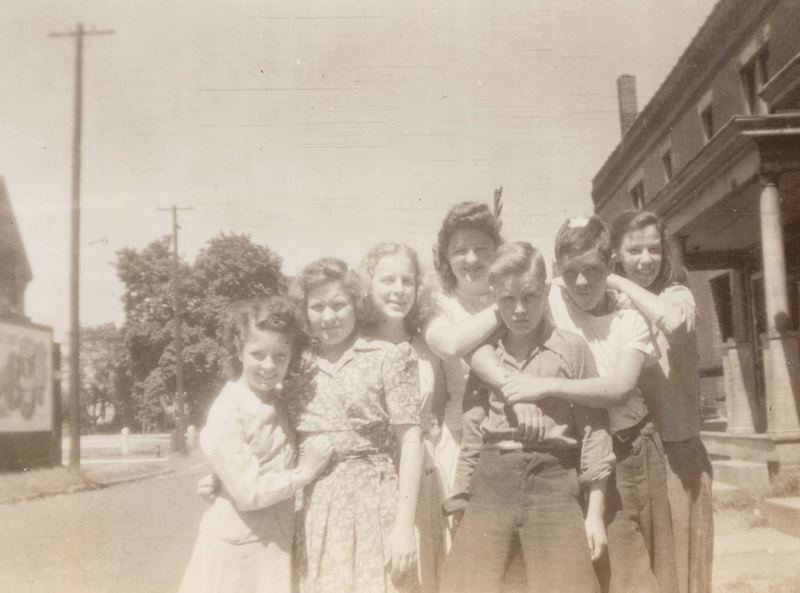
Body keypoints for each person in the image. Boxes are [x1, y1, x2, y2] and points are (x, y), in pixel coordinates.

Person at [471, 216, 677, 593]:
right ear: (556, 273)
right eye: (571, 272)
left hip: (629, 451)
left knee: (637, 574)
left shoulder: (630, 319)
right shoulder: (543, 300)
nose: (581, 282)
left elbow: (619, 389)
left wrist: (541, 386)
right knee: (583, 571)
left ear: (610, 267)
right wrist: (510, 388)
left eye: (593, 271)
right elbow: (472, 345)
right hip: (572, 459)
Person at [439, 242, 614, 593]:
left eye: (530, 297)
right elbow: (474, 427)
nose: (519, 310)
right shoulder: (485, 352)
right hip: (491, 481)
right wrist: (462, 496)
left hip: (553, 481)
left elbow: (595, 432)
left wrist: (594, 514)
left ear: (546, 291)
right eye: (507, 300)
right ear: (494, 298)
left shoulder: (571, 348)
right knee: (464, 584)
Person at [179, 297, 333, 593]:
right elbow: (249, 493)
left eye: (280, 356)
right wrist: (305, 473)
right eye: (257, 354)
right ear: (238, 352)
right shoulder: (229, 409)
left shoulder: (278, 401)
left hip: (272, 545)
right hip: (237, 551)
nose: (268, 365)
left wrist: (220, 479)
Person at [289, 257, 423, 593]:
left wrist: (404, 528)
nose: (329, 317)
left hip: (376, 505)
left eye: (338, 304)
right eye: (317, 307)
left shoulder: (389, 357)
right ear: (304, 313)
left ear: (356, 304)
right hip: (315, 511)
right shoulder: (295, 371)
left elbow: (411, 440)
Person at [608, 209, 713, 593]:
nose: (646, 259)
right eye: (634, 250)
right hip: (631, 456)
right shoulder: (610, 306)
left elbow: (673, 322)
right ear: (617, 252)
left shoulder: (677, 295)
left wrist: (619, 282)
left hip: (678, 451)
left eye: (654, 249)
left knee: (686, 573)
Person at [359, 242, 448, 593]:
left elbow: (436, 412)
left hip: (421, 483)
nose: (398, 290)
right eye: (387, 280)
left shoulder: (427, 348)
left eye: (407, 281)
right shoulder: (356, 344)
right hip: (371, 483)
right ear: (368, 285)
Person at [423, 201, 509, 518]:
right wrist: (508, 305)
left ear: (497, 252)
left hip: (516, 435)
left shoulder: (516, 297)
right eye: (459, 250)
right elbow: (448, 345)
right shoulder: (437, 305)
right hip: (458, 441)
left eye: (481, 248)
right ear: (445, 256)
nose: (470, 259)